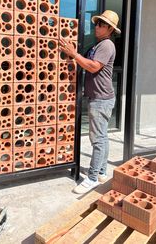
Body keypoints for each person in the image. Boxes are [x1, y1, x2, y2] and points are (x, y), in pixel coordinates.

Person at [59, 10, 121, 194]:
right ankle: (101, 172)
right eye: (97, 23)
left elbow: (93, 67)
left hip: (101, 99)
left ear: (110, 29)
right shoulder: (98, 44)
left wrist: (74, 54)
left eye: (101, 24)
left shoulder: (107, 45)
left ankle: (92, 178)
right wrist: (73, 54)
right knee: (102, 136)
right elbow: (84, 60)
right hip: (101, 97)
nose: (97, 26)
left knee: (97, 139)